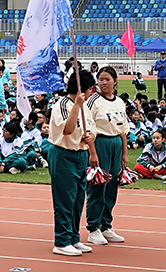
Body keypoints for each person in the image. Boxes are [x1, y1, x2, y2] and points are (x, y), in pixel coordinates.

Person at [48, 69, 96, 257]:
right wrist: (76, 105)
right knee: (64, 200)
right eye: (91, 88)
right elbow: (67, 130)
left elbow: (91, 129)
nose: (92, 92)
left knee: (77, 200)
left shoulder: (86, 107)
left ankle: (73, 237)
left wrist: (91, 137)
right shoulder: (62, 105)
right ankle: (62, 241)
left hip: (80, 155)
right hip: (63, 154)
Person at [85, 66, 128, 246]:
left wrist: (125, 153)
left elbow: (123, 129)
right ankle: (93, 227)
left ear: (115, 81)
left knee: (111, 187)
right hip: (100, 142)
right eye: (100, 79)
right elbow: (88, 128)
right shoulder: (93, 101)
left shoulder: (119, 102)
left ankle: (106, 225)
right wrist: (92, 152)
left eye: (107, 79)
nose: (103, 83)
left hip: (116, 143)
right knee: (98, 186)